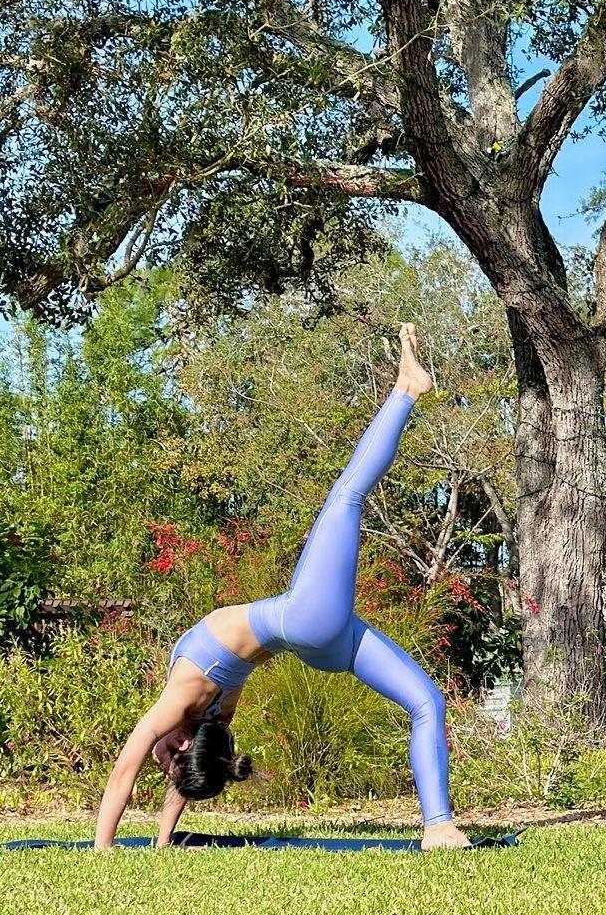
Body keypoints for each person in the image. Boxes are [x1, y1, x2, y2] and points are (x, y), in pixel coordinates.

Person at [95, 326, 472, 851]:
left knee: (427, 701)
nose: (160, 767)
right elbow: (124, 773)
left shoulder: (207, 718)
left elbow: (165, 773)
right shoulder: (187, 706)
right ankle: (406, 390)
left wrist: (156, 844)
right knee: (346, 496)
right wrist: (104, 850)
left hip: (318, 641)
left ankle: (440, 827)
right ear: (182, 743)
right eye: (170, 762)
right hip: (303, 620)